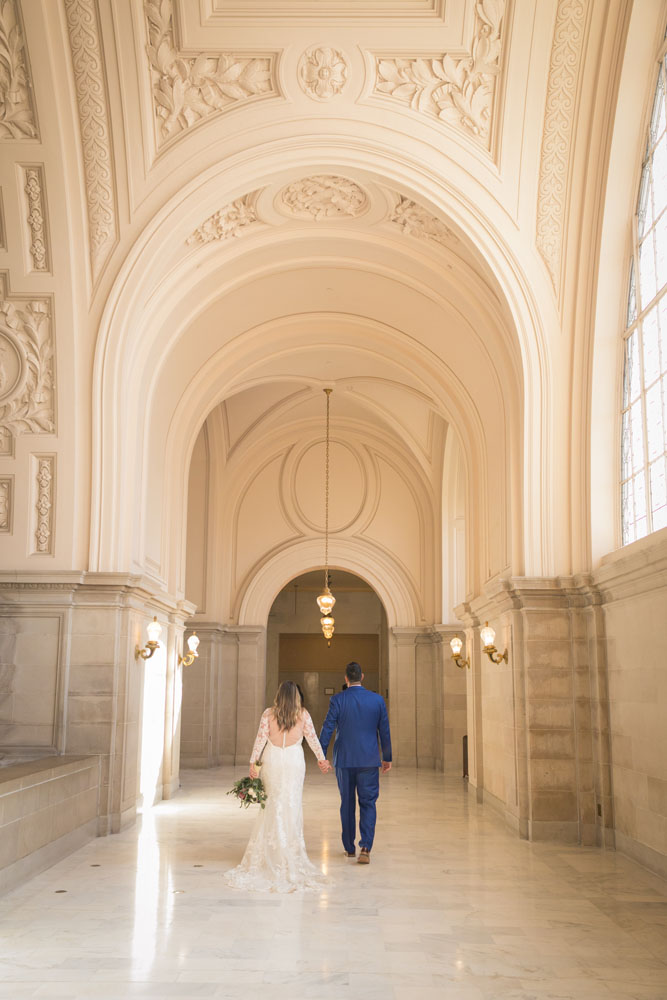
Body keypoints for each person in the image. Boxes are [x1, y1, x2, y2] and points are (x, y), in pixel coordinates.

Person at [225, 680, 332, 893]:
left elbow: (260, 740)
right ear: (296, 697)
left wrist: (253, 763)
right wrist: (321, 759)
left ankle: (269, 852)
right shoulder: (303, 715)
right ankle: (289, 852)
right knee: (291, 805)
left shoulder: (268, 714)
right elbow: (312, 739)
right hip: (293, 761)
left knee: (272, 804)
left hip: (273, 759)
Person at [319, 661, 392, 864]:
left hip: (344, 759)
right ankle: (366, 847)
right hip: (369, 760)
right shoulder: (377, 700)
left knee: (347, 803)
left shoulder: (338, 699)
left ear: (346, 679)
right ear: (362, 677)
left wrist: (321, 754)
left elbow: (327, 728)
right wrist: (387, 757)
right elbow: (384, 731)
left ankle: (349, 848)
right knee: (368, 803)